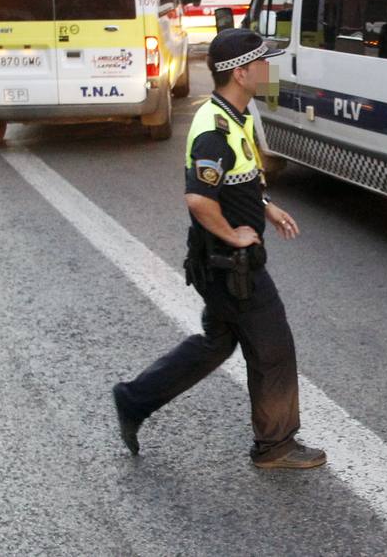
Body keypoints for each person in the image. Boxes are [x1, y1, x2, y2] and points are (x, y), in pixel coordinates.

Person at [113, 29, 325, 470]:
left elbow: (233, 181)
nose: (271, 72)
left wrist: (263, 206)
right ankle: (275, 446)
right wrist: (233, 234)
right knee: (274, 347)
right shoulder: (214, 127)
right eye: (263, 64)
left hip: (223, 266)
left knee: (216, 343)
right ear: (243, 73)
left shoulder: (236, 116)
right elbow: (198, 199)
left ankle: (134, 399)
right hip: (230, 267)